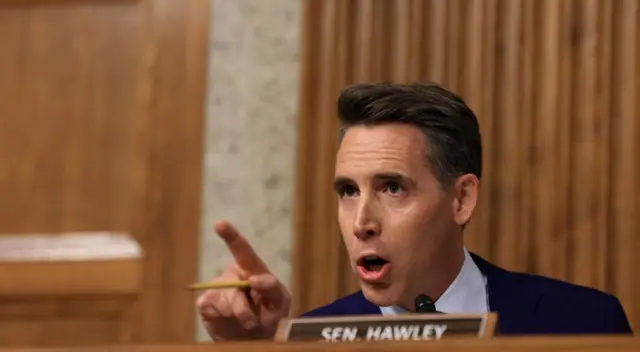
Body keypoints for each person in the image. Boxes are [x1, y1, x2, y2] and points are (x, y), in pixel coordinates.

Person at [196, 82, 632, 340]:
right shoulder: (309, 338)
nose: (363, 222)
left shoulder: (584, 323)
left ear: (461, 200)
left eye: (392, 187)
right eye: (348, 191)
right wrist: (254, 350)